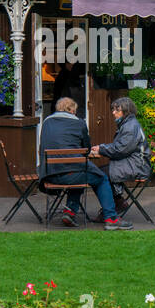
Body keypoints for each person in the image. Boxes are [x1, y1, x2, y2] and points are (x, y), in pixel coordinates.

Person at [39, 96, 130, 230]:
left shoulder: (46, 122)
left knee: (81, 172)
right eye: (74, 110)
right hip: (70, 173)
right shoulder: (79, 123)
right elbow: (86, 149)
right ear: (71, 110)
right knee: (101, 178)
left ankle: (70, 212)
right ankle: (111, 218)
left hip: (49, 174)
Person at [91, 97, 151, 217]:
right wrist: (102, 148)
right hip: (132, 163)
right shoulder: (128, 124)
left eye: (117, 110)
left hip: (137, 166)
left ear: (126, 111)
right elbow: (120, 147)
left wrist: (101, 149)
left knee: (97, 175)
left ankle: (113, 208)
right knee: (98, 173)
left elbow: (120, 149)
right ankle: (117, 202)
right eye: (113, 109)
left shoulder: (130, 126)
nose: (113, 112)